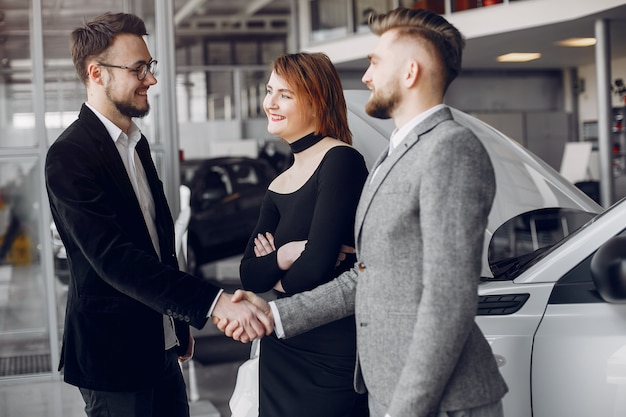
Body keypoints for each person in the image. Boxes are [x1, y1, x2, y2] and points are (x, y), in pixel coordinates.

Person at [219, 7, 509, 417]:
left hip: (441, 401)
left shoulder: (450, 148)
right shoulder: (395, 155)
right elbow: (365, 278)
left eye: (375, 63)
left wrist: (408, 407)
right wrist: (275, 314)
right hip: (389, 389)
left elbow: (449, 299)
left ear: (410, 72)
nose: (366, 77)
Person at [44, 12, 271, 417]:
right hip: (113, 358)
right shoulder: (69, 155)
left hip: (161, 347)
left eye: (150, 67)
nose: (150, 79)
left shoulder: (135, 144)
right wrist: (214, 302)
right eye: (138, 69)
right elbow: (115, 259)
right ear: (97, 74)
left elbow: (157, 246)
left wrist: (178, 323)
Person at [238, 52, 369, 417]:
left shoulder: (341, 161)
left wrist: (277, 274)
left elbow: (314, 273)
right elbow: (248, 273)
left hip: (331, 349)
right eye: (269, 91)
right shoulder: (280, 181)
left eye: (286, 94)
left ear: (316, 100)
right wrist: (285, 255)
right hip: (283, 345)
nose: (270, 103)